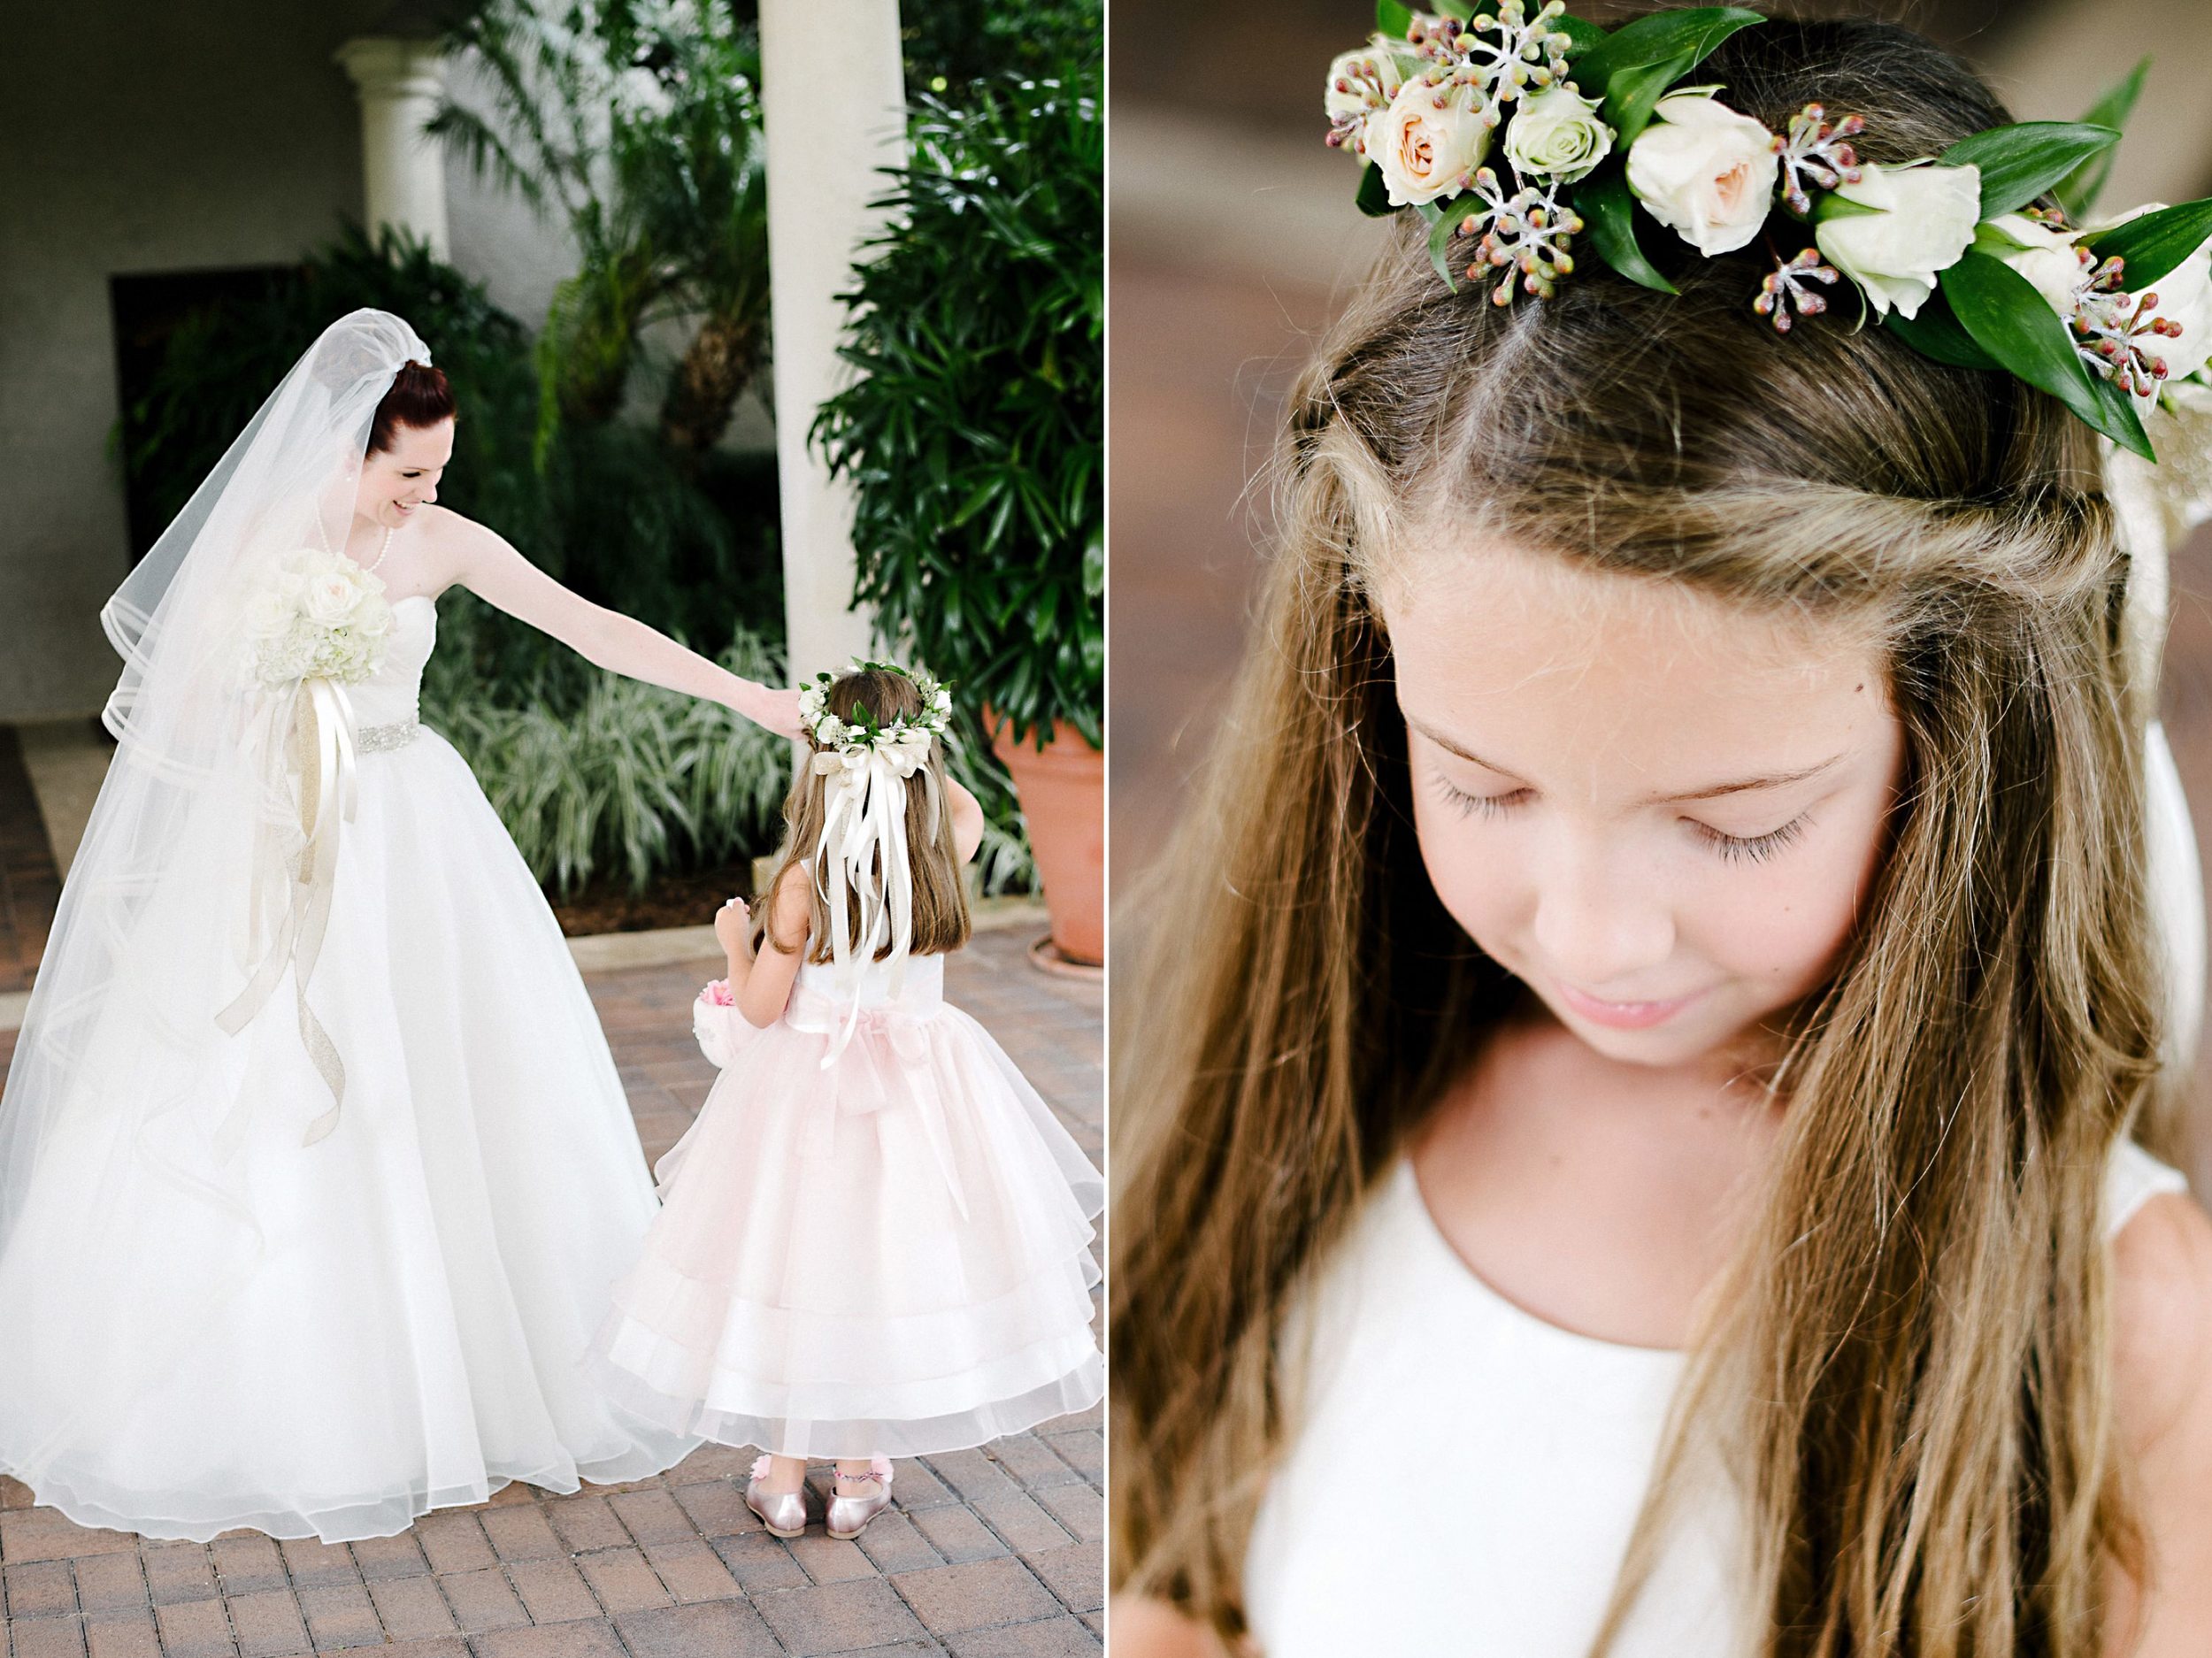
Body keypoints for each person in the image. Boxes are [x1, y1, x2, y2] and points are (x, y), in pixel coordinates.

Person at [1111, 14, 2212, 1657]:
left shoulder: (2121, 1326)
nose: (1595, 931)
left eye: (1736, 825)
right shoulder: (1317, 1104)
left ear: (1970, 749)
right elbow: (1189, 1569)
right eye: (1481, 784)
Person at [0, 309, 798, 1543]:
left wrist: (757, 699)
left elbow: (592, 626)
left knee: (456, 1071)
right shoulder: (266, 545)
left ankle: (496, 1373)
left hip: (417, 821)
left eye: (438, 471)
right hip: (285, 832)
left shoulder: (444, 542)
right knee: (273, 1087)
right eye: (407, 472)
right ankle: (295, 1387)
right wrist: (265, 721)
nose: (423, 493)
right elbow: (185, 703)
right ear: (350, 450)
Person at [589, 662, 1103, 1541]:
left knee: (795, 1269)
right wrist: (912, 754)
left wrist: (730, 941)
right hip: (919, 1096)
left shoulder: (801, 882)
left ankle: (784, 1482)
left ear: (824, 763)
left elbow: (758, 1007)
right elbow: (954, 797)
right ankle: (859, 1475)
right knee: (875, 1268)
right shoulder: (946, 841)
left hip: (805, 1096)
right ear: (920, 760)